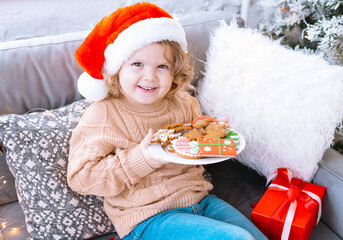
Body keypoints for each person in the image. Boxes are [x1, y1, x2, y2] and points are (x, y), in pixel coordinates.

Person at [67, 2, 267, 240]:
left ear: (175, 71)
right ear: (117, 68)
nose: (150, 76)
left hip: (201, 201)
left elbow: (193, 145)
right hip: (147, 219)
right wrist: (143, 159)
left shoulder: (183, 102)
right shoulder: (103, 115)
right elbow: (81, 178)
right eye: (137, 64)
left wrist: (213, 134)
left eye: (162, 66)